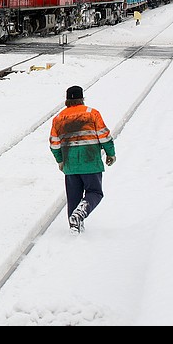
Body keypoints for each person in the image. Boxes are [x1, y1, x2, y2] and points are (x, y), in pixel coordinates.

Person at [49, 85, 116, 234]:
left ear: (66, 101)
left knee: (73, 197)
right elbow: (104, 136)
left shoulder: (58, 118)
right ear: (82, 98)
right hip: (90, 162)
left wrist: (60, 161)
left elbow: (54, 144)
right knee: (95, 192)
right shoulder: (92, 114)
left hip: (70, 166)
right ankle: (81, 213)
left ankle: (75, 228)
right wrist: (110, 153)